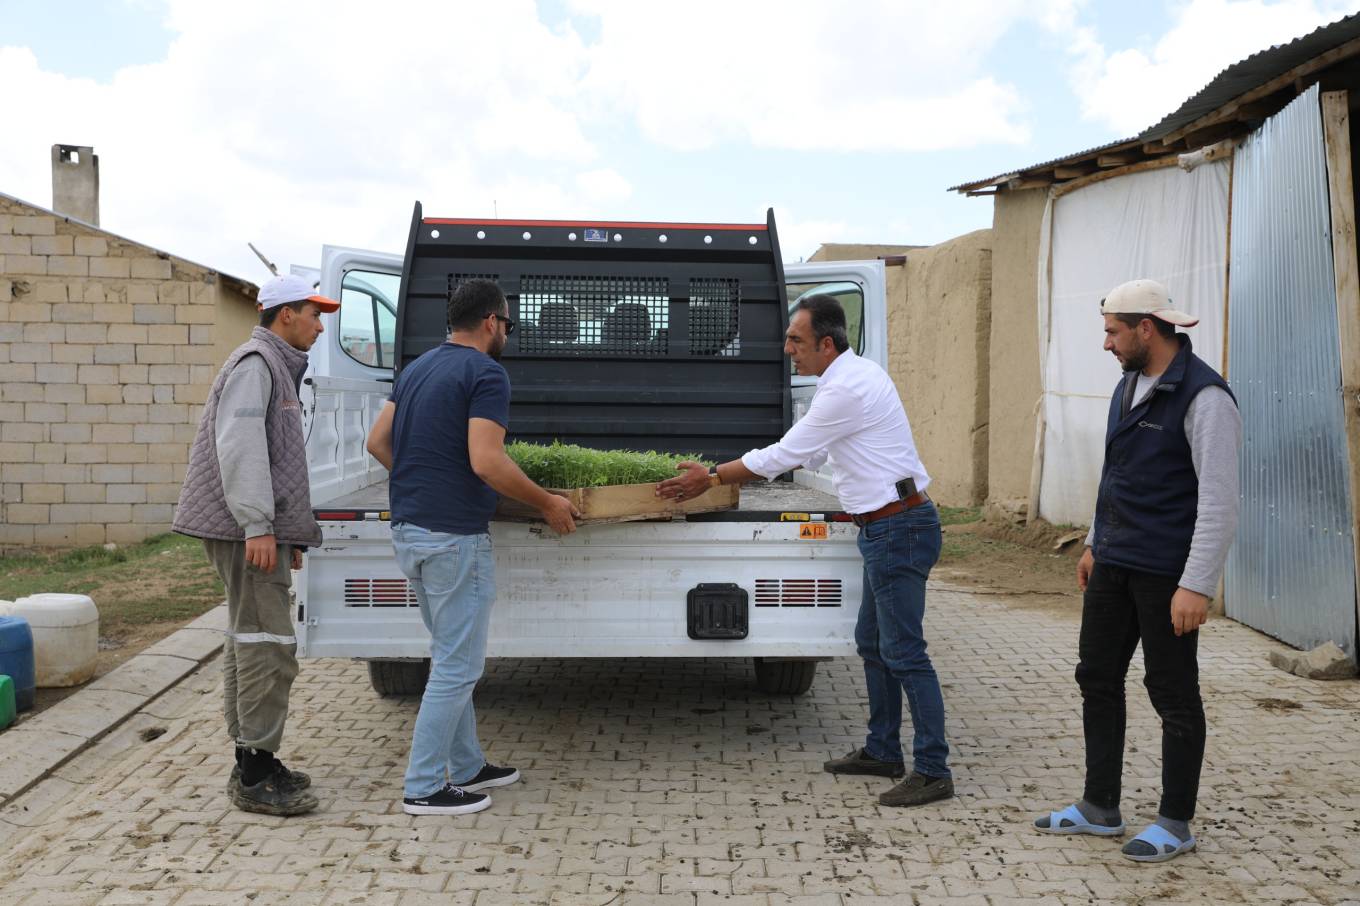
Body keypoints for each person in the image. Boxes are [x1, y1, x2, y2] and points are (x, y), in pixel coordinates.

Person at [657, 294, 953, 808]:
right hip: (888, 526)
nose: (787, 348)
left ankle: (933, 769)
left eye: (796, 340)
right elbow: (809, 452)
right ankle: (882, 750)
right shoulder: (849, 377)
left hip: (898, 528)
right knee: (872, 643)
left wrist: (713, 476)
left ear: (826, 344)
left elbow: (788, 453)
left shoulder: (846, 388)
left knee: (904, 652)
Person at [1034, 278, 1241, 863]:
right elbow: (1116, 474)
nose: (1106, 344)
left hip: (1166, 575)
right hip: (1114, 564)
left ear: (1146, 328)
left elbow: (1220, 502)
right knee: (1096, 677)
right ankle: (1099, 806)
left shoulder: (1206, 398)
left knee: (1172, 693)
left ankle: (1175, 821)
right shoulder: (1128, 385)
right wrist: (1094, 544)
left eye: (1112, 332)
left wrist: (1197, 584)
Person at [365, 278, 580, 817]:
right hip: (455, 539)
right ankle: (423, 787)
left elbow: (376, 442)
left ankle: (465, 766)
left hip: (412, 530)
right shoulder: (486, 373)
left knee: (448, 657)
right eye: (508, 324)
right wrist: (546, 503)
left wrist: (425, 480)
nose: (507, 333)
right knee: (459, 668)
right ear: (491, 322)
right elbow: (487, 461)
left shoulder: (417, 368)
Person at [173, 273, 340, 816]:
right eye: (314, 314)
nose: (320, 326)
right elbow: (241, 448)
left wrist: (283, 532)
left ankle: (253, 759)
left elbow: (274, 458)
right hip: (245, 530)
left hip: (254, 529)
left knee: (250, 639)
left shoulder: (272, 365)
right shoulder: (257, 364)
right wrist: (259, 527)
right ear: (285, 313)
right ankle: (255, 775)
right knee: (268, 644)